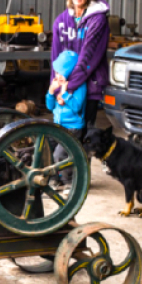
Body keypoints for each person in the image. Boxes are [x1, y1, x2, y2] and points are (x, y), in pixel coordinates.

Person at [50, 0, 110, 128]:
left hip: (89, 86)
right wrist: (56, 88)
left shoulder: (98, 20)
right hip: (65, 87)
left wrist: (69, 88)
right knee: (63, 131)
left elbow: (87, 57)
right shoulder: (61, 21)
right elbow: (56, 59)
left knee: (83, 132)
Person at [46, 50, 87, 189]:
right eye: (56, 72)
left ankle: (68, 183)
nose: (57, 76)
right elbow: (50, 107)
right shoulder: (58, 85)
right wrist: (51, 92)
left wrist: (65, 94)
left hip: (73, 127)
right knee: (47, 148)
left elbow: (76, 107)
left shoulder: (79, 86)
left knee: (60, 154)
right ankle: (53, 179)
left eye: (61, 73)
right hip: (58, 125)